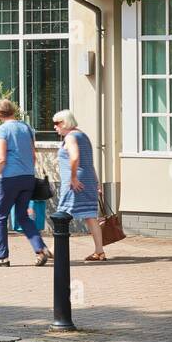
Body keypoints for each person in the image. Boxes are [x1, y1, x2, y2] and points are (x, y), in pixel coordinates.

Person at [0, 98, 51, 267]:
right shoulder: (26, 128)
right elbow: (33, 156)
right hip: (28, 178)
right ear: (13, 110)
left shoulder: (2, 130)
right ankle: (40, 248)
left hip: (9, 179)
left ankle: (2, 257)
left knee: (1, 217)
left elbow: (1, 158)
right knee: (23, 216)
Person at [52, 110, 106, 261]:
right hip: (88, 180)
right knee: (90, 216)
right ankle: (99, 251)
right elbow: (89, 163)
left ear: (65, 122)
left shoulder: (70, 137)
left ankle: (53, 250)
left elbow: (75, 157)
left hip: (76, 183)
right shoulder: (83, 135)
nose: (55, 127)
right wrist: (96, 183)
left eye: (57, 124)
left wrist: (73, 177)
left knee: (63, 214)